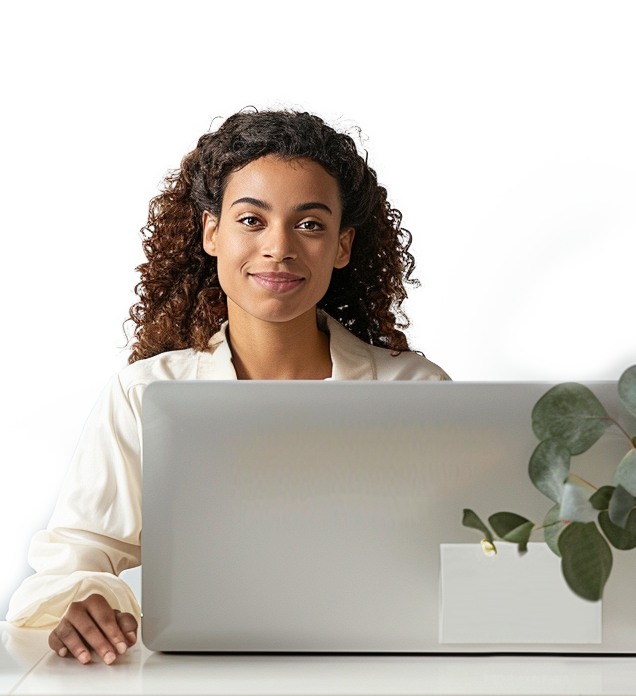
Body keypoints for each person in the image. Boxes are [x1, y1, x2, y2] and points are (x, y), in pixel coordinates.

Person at [6, 106, 450, 663]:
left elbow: (465, 552)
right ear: (211, 232)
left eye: (310, 223)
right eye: (251, 219)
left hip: (386, 671)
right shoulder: (144, 394)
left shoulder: (416, 392)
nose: (280, 246)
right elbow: (77, 556)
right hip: (200, 680)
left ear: (342, 245)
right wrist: (83, 603)